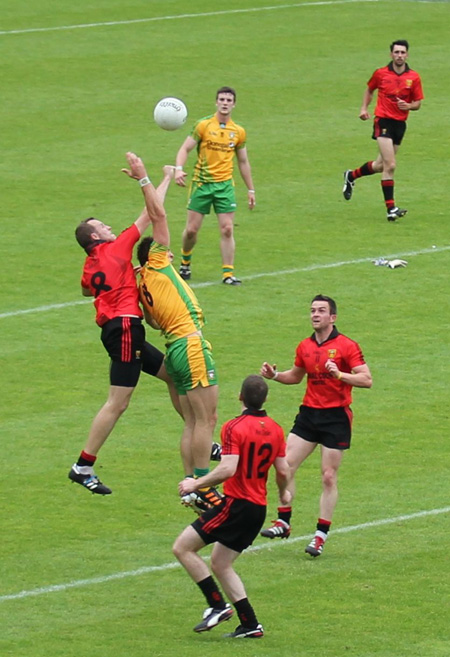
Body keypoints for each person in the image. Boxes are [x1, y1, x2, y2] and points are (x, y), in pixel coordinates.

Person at [69, 159, 182, 496]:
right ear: (94, 236)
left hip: (118, 330)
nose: (108, 227)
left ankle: (201, 439)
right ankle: (83, 465)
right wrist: (163, 177)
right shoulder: (116, 249)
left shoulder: (90, 266)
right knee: (118, 403)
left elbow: (87, 289)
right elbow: (152, 212)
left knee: (173, 375)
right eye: (102, 225)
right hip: (125, 329)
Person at [123, 153, 222, 512]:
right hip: (191, 344)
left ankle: (191, 485)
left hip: (174, 348)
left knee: (194, 420)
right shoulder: (159, 264)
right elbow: (158, 215)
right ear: (155, 254)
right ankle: (201, 484)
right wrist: (145, 179)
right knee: (207, 419)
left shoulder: (141, 283)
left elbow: (150, 322)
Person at [173, 375, 289, 639]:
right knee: (221, 563)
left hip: (236, 505)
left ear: (239, 397)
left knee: (182, 548)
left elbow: (227, 469)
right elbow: (283, 470)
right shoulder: (276, 429)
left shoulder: (233, 427)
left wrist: (195, 483)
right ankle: (250, 624)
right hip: (257, 509)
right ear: (265, 399)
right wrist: (285, 494)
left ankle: (217, 606)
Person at [260, 295, 372, 557]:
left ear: (333, 317)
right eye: (312, 310)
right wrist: (275, 376)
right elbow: (296, 376)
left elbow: (367, 379)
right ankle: (283, 521)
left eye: (321, 311)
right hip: (309, 415)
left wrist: (340, 375)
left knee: (328, 476)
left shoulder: (347, 346)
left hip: (336, 418)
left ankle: (320, 535)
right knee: (284, 467)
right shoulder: (305, 347)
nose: (315, 315)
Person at [174, 86, 256, 285]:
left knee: (227, 228)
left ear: (234, 104)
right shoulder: (203, 125)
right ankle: (185, 261)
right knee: (192, 230)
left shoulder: (238, 132)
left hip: (225, 186)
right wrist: (178, 168)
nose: (225, 103)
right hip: (202, 184)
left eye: (229, 100)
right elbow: (185, 148)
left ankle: (228, 274)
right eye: (222, 99)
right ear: (216, 102)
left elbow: (243, 162)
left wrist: (251, 189)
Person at [342, 40, 424, 221]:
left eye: (403, 52)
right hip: (383, 120)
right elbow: (370, 90)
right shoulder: (381, 74)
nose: (400, 55)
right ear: (391, 55)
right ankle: (391, 209)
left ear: (407, 55)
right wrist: (364, 108)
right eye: (396, 52)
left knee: (380, 166)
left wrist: (408, 105)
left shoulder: (414, 77)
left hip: (400, 125)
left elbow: (418, 103)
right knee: (391, 165)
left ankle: (351, 175)